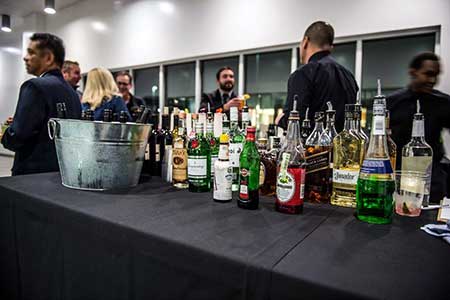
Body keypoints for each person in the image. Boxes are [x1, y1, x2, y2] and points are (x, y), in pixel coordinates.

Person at [1, 33, 81, 176]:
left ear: (48, 58)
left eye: (31, 52)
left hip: (32, 175)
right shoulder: (73, 94)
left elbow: (18, 136)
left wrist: (5, 133)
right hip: (62, 173)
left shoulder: (34, 86)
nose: (25, 57)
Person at [387, 52, 450, 203]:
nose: (433, 80)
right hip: (397, 179)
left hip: (431, 182)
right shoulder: (392, 103)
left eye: (435, 75)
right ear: (413, 72)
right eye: (428, 74)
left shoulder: (444, 103)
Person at [276, 21, 359, 132]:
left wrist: (280, 120)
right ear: (330, 47)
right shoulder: (349, 77)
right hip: (344, 148)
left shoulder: (303, 74)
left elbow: (295, 123)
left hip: (313, 148)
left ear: (305, 41)